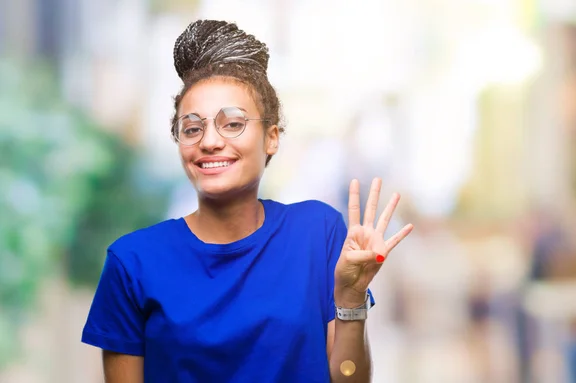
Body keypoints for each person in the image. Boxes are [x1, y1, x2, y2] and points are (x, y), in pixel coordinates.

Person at [81, 19, 413, 383]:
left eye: (233, 124)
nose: (209, 141)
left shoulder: (317, 233)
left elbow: (349, 378)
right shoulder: (132, 262)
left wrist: (350, 300)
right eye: (192, 128)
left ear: (271, 137)